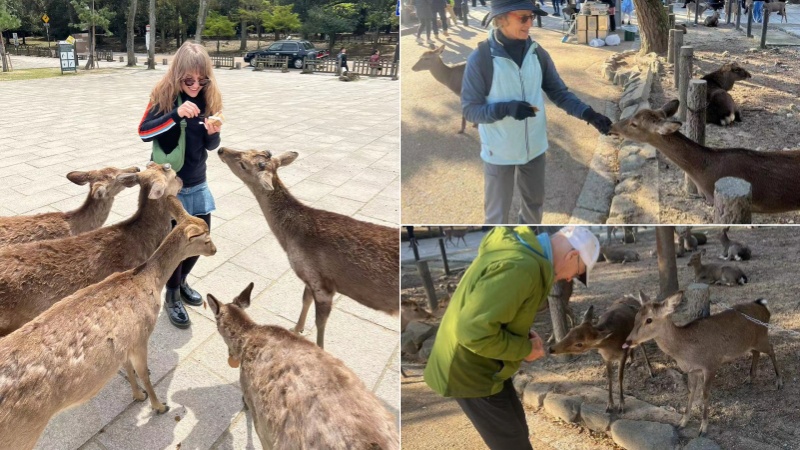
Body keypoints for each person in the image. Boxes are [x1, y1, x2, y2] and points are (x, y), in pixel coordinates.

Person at [424, 226, 600, 450]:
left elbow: (492, 312)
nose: (567, 279)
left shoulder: (520, 253)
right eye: (575, 273)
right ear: (572, 256)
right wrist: (524, 349)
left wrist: (523, 336)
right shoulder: (522, 267)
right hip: (470, 371)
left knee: (516, 433)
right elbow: (473, 332)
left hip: (484, 364)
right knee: (512, 444)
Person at [461, 0, 613, 224]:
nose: (530, 23)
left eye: (531, 17)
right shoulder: (481, 59)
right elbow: (470, 110)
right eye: (523, 18)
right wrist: (505, 108)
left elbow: (559, 93)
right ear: (501, 18)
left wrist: (589, 114)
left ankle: (529, 247)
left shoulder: (537, 53)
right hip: (499, 151)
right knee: (497, 214)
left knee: (534, 206)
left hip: (534, 147)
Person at [138, 41, 223, 329]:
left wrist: (214, 133)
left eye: (202, 79)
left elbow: (210, 145)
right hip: (169, 183)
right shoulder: (162, 96)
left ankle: (182, 282)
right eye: (189, 79)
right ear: (177, 75)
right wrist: (175, 115)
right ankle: (172, 295)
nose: (196, 85)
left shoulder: (208, 99)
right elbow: (144, 132)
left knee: (200, 238)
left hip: (198, 180)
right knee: (174, 244)